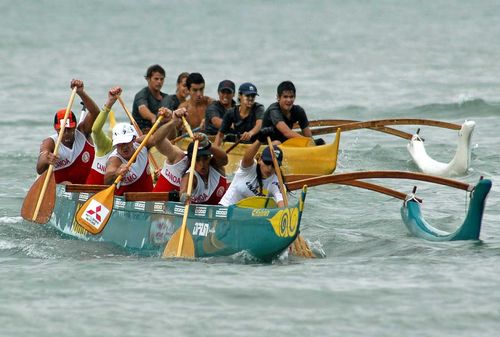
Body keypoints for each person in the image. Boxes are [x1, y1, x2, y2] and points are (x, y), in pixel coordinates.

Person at [36, 79, 100, 184]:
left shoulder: (83, 132)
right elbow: (39, 168)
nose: (66, 133)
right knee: (67, 184)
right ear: (55, 128)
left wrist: (81, 92)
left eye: (69, 129)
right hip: (60, 189)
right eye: (62, 130)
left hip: (85, 187)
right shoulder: (50, 142)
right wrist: (46, 159)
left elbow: (95, 112)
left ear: (75, 126)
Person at [219, 137, 285, 208]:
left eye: (274, 165)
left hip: (247, 217)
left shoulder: (277, 182)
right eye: (267, 162)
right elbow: (247, 158)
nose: (269, 168)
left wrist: (284, 212)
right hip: (226, 208)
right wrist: (260, 140)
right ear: (259, 160)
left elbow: (282, 203)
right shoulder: (249, 168)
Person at [104, 120, 162, 195]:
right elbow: (106, 181)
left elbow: (160, 138)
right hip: (127, 203)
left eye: (125, 142)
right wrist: (116, 173)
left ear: (133, 139)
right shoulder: (114, 159)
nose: (123, 147)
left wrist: (171, 121)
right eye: (119, 144)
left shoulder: (142, 143)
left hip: (149, 199)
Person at [86, 86, 122, 184]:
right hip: (90, 193)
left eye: (126, 142)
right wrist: (109, 103)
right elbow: (95, 130)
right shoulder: (107, 146)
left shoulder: (133, 154)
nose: (123, 146)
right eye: (120, 141)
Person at [179, 133, 228, 205]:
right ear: (191, 160)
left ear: (210, 157)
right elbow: (184, 190)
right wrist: (184, 195)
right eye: (197, 159)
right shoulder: (190, 177)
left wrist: (208, 145)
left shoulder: (216, 166)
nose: (202, 164)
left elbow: (224, 159)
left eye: (205, 158)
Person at [152, 107, 189, 192]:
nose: (202, 164)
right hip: (156, 202)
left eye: (205, 158)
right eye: (199, 159)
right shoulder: (179, 156)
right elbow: (157, 140)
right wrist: (172, 122)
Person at [215, 82, 264, 146]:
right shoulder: (231, 112)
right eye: (247, 95)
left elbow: (259, 124)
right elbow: (220, 135)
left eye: (253, 96)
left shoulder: (259, 108)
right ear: (240, 96)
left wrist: (250, 133)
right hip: (239, 144)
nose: (251, 98)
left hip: (256, 145)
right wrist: (215, 150)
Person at [131, 64, 168, 133]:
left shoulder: (166, 97)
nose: (159, 82)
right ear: (148, 79)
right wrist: (153, 118)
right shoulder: (141, 95)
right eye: (156, 79)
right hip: (139, 132)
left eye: (161, 79)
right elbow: (142, 109)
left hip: (156, 133)